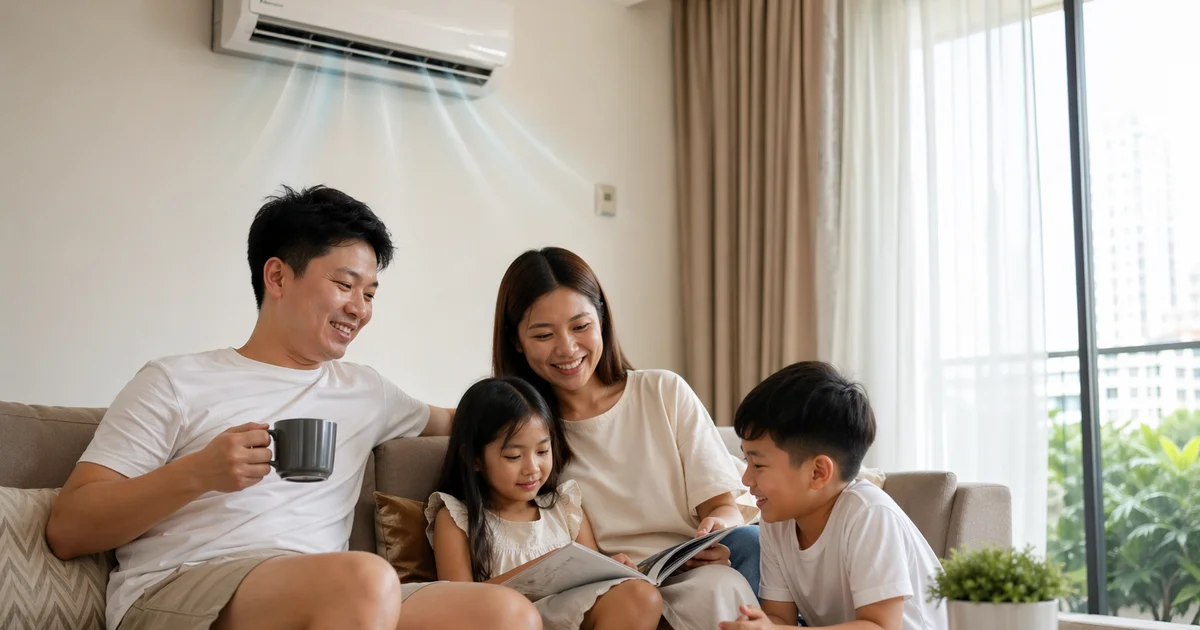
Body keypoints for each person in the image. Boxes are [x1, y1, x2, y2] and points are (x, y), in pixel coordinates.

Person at [45, 185, 541, 630]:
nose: (361, 309)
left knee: (507, 614)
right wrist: (199, 473)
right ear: (278, 277)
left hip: (332, 593)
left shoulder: (366, 391)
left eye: (369, 294)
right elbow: (69, 529)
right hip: (181, 591)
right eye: (345, 286)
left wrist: (567, 400)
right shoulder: (175, 381)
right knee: (365, 579)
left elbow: (473, 421)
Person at [491, 246, 760, 629]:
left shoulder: (663, 392)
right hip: (608, 593)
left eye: (580, 326)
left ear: (601, 319)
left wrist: (715, 531)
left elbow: (723, 506)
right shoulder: (523, 434)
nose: (567, 348)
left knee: (734, 567)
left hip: (690, 573)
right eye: (544, 334)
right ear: (516, 340)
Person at [719, 361, 947, 630]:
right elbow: (780, 619)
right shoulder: (776, 520)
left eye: (758, 465)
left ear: (818, 472)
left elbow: (881, 627)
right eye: (745, 460)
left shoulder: (868, 514)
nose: (746, 479)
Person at [427, 376, 663, 630]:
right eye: (514, 456)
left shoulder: (564, 507)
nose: (532, 468)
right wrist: (539, 568)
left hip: (570, 617)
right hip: (508, 621)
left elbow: (594, 576)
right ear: (474, 459)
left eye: (542, 451)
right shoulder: (456, 518)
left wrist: (614, 567)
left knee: (641, 595)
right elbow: (459, 603)